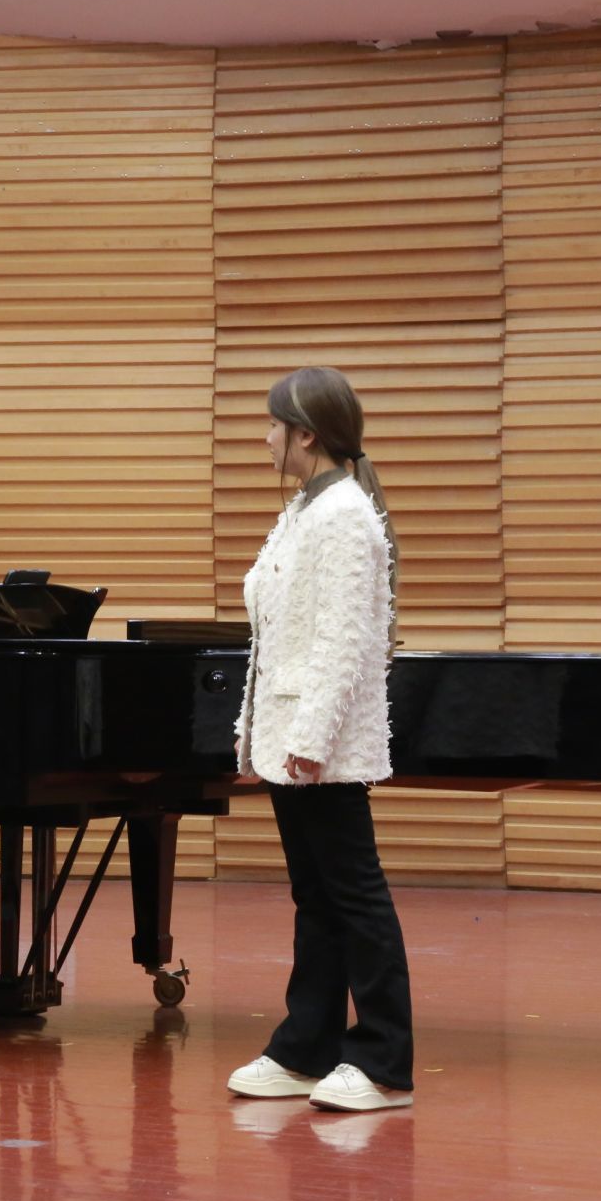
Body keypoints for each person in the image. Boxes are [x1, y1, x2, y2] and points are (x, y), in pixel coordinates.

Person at [225, 367, 415, 1113]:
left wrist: (309, 738)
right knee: (318, 896)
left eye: (274, 424)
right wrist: (260, 738)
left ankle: (384, 1062)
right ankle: (307, 1048)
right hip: (294, 739)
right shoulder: (307, 508)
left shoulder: (341, 515)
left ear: (306, 433)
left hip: (322, 744)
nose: (265, 437)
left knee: (354, 895)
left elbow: (342, 642)